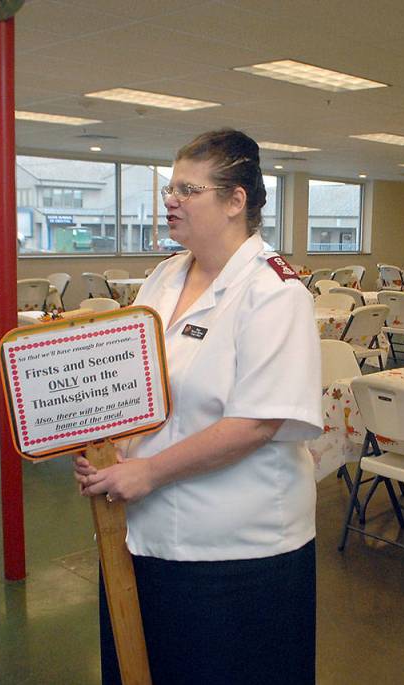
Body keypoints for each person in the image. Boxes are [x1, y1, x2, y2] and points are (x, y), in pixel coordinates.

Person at [74, 129, 321, 684]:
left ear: (236, 201)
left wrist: (148, 470)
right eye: (169, 187)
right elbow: (128, 381)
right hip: (142, 532)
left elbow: (257, 422)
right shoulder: (165, 276)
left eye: (189, 189)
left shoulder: (275, 293)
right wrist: (101, 449)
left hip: (236, 554)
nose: (170, 200)